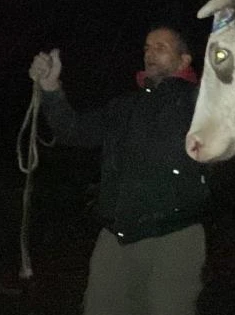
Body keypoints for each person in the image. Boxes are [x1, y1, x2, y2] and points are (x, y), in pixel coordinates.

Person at [29, 26, 210, 315]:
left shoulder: (202, 104)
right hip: (115, 237)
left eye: (160, 47)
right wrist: (50, 88)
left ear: (184, 60)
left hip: (174, 239)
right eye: (147, 48)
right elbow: (75, 131)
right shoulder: (125, 106)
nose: (150, 54)